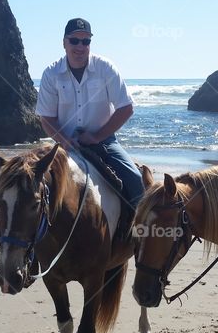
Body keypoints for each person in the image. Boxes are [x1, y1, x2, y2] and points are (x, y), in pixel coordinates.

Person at [35, 18, 144, 219]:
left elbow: (126, 108)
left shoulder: (105, 68)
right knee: (28, 183)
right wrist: (64, 141)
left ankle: (134, 235)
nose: (80, 46)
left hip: (104, 142)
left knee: (135, 180)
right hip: (64, 145)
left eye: (86, 41)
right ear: (64, 42)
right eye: (74, 40)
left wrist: (97, 137)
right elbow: (47, 118)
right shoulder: (51, 74)